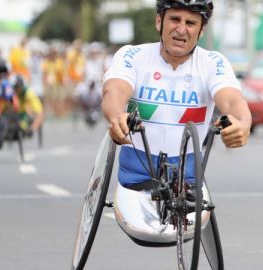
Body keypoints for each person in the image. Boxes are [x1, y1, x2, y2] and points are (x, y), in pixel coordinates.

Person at [101, 0, 252, 189]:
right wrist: (116, 117)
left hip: (186, 175)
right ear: (159, 22)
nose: (181, 30)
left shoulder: (213, 62)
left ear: (201, 30)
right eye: (174, 19)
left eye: (190, 23)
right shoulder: (133, 55)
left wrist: (243, 124)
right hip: (135, 172)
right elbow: (114, 90)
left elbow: (232, 100)